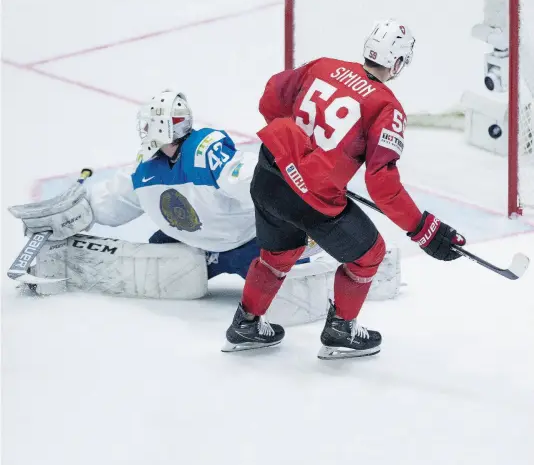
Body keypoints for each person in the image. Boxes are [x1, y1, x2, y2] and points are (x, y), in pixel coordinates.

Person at [10, 90, 373, 325]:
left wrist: (287, 184)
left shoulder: (206, 150)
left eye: (149, 124)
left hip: (249, 243)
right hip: (193, 246)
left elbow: (244, 176)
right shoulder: (145, 168)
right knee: (154, 262)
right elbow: (114, 203)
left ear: (161, 127)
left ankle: (357, 261)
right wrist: (75, 211)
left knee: (294, 298)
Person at [223, 20, 466, 358]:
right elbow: (381, 183)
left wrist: (300, 153)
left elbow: (269, 100)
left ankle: (245, 324)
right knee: (370, 255)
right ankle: (341, 330)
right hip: (311, 199)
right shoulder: (386, 106)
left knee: (278, 253)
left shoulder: (323, 66)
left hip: (267, 174)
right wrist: (422, 228)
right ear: (397, 63)